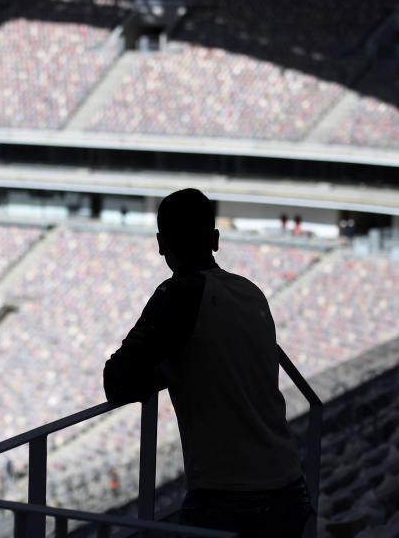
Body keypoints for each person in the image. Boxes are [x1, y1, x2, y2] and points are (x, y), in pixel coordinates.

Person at [103, 188, 311, 538]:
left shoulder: (179, 293)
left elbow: (117, 381)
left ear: (160, 244)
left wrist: (165, 371)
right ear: (215, 239)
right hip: (290, 483)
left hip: (228, 494)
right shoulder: (250, 291)